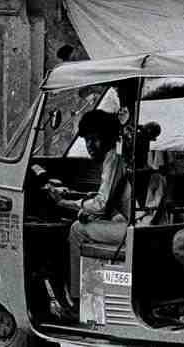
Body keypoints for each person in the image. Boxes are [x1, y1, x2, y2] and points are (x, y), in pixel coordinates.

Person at [45, 109, 132, 306]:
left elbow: (101, 205)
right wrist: (84, 206)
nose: (90, 146)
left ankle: (76, 299)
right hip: (127, 223)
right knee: (85, 222)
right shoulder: (115, 157)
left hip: (129, 230)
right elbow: (108, 201)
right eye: (87, 140)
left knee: (77, 230)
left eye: (95, 139)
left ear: (108, 138)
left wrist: (65, 203)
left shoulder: (113, 159)